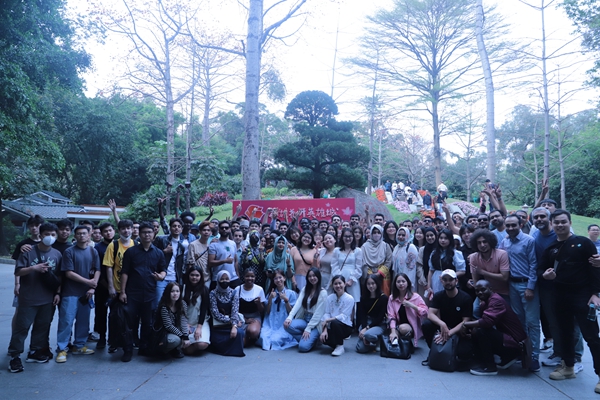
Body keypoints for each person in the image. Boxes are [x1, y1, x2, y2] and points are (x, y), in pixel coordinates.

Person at [538, 210, 600, 393]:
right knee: (564, 333)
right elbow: (540, 269)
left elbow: (595, 268)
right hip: (559, 296)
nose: (560, 225)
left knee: (591, 336)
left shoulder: (584, 243)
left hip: (583, 296)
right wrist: (545, 275)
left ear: (570, 223)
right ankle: (568, 367)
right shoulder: (551, 248)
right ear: (552, 224)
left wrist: (596, 293)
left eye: (563, 222)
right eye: (556, 222)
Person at [8, 223, 62, 373]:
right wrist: (33, 268)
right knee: (22, 327)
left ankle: (35, 351)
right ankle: (14, 356)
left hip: (47, 298)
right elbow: (18, 271)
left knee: (42, 327)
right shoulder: (27, 251)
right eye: (46, 234)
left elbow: (59, 276)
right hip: (28, 298)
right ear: (40, 235)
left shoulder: (57, 254)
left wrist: (58, 293)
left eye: (53, 234)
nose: (49, 237)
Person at [119, 222, 167, 362]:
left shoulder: (158, 253)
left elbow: (163, 269)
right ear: (139, 234)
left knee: (148, 322)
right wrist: (122, 292)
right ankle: (128, 349)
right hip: (132, 293)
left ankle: (144, 347)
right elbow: (125, 272)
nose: (147, 235)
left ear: (154, 234)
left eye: (149, 232)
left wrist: (161, 276)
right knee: (129, 323)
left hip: (150, 293)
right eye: (144, 232)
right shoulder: (131, 252)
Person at [499, 214, 540, 372]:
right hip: (512, 285)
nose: (510, 228)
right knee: (518, 320)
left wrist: (530, 287)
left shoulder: (529, 241)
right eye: (508, 225)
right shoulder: (505, 242)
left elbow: (534, 264)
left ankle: (534, 356)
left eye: (513, 225)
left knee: (532, 322)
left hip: (526, 284)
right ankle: (523, 352)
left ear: (521, 225)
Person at [462, 280, 527, 376]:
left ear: (491, 289)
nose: (480, 293)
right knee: (477, 331)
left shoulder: (496, 301)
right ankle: (505, 358)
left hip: (516, 343)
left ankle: (490, 367)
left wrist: (465, 324)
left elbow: (486, 322)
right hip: (510, 340)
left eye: (483, 289)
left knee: (481, 331)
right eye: (477, 291)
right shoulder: (486, 302)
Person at [56, 225, 101, 363]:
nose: (82, 236)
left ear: (89, 235)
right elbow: (68, 273)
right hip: (70, 292)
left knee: (83, 321)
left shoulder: (93, 251)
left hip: (86, 294)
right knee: (66, 321)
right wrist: (89, 282)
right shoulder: (69, 252)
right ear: (74, 236)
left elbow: (97, 270)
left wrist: (92, 286)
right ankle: (62, 348)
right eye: (79, 234)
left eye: (84, 233)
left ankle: (79, 346)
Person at [421, 269, 473, 366]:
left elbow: (466, 321)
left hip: (459, 331)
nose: (448, 282)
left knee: (463, 353)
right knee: (426, 325)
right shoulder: (438, 296)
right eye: (445, 280)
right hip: (442, 328)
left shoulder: (465, 298)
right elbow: (430, 314)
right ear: (442, 281)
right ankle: (434, 351)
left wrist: (449, 333)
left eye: (450, 279)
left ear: (456, 281)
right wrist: (442, 324)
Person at [284, 268, 327, 353]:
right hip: (305, 318)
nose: (312, 278)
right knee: (287, 325)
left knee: (303, 348)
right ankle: (308, 340)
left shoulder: (323, 293)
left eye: (314, 276)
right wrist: (290, 317)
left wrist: (308, 328)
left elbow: (318, 314)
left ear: (318, 277)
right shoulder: (305, 289)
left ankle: (310, 340)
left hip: (315, 323)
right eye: (310, 276)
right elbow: (298, 303)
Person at [209, 270, 245, 357]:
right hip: (218, 324)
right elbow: (215, 313)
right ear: (218, 280)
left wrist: (234, 326)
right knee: (215, 336)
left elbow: (235, 310)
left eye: (227, 279)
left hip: (231, 323)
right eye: (222, 279)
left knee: (239, 333)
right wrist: (231, 322)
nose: (224, 281)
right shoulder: (213, 293)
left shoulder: (234, 292)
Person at [387, 273, 428, 348]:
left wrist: (412, 306)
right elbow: (391, 316)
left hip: (409, 327)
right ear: (395, 284)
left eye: (403, 281)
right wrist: (393, 331)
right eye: (398, 282)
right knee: (393, 334)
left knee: (403, 328)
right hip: (395, 325)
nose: (401, 284)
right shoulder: (392, 298)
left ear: (408, 283)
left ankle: (399, 338)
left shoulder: (415, 296)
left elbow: (425, 312)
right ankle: (396, 338)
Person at [260, 270, 298, 350]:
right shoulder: (271, 293)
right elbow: (267, 312)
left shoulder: (291, 293)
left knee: (275, 340)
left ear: (284, 278)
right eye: (275, 278)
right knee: (263, 338)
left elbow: (292, 313)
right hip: (270, 323)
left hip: (283, 324)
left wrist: (286, 300)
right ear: (273, 281)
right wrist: (270, 299)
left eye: (280, 277)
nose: (278, 280)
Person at [320, 275, 355, 356]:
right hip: (331, 325)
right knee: (324, 339)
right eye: (335, 284)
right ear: (332, 285)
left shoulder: (349, 298)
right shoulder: (330, 298)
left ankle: (340, 345)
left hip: (345, 326)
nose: (338, 286)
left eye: (340, 283)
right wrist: (324, 330)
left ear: (344, 284)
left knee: (335, 322)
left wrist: (328, 320)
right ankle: (336, 344)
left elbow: (344, 316)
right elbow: (326, 313)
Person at [356, 274, 389, 353]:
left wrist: (366, 329)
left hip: (379, 324)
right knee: (360, 349)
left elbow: (380, 317)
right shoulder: (363, 298)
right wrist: (364, 327)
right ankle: (368, 339)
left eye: (373, 283)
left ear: (377, 284)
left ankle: (378, 339)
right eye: (368, 284)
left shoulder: (383, 298)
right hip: (368, 322)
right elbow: (362, 315)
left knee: (367, 334)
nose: (371, 286)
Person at [427, 229, 465, 295]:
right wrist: (429, 285)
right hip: (436, 280)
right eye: (441, 238)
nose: (443, 240)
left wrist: (448, 276)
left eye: (446, 238)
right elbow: (431, 270)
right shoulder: (434, 253)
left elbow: (462, 271)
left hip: (450, 281)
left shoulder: (455, 253)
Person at [156, 282, 189, 358]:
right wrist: (182, 336)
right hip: (164, 333)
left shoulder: (183, 303)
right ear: (168, 293)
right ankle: (162, 351)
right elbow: (168, 326)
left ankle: (175, 350)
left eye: (177, 291)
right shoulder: (164, 306)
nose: (175, 294)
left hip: (177, 329)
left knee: (188, 336)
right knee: (176, 340)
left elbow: (183, 321)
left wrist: (186, 336)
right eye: (172, 291)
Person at [182, 266, 210, 355]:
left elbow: (203, 310)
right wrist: (185, 324)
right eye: (192, 275)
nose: (194, 277)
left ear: (201, 276)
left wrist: (199, 327)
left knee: (202, 344)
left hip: (200, 322)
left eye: (197, 275)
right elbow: (179, 309)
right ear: (188, 275)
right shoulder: (182, 288)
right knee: (185, 346)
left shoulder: (204, 290)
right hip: (184, 322)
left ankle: (188, 346)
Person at [331, 228, 363, 302]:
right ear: (342, 237)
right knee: (339, 300)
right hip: (339, 278)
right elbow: (334, 266)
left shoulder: (358, 250)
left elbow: (359, 268)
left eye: (350, 236)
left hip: (353, 279)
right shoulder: (336, 250)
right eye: (345, 236)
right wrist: (340, 280)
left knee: (353, 301)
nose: (348, 238)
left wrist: (352, 280)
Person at [236, 269, 266, 346]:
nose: (250, 278)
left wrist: (259, 303)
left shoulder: (259, 289)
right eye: (247, 276)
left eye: (252, 276)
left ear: (255, 277)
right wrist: (245, 319)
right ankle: (245, 337)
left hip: (254, 317)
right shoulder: (238, 289)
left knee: (253, 331)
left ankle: (251, 336)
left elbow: (262, 310)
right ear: (243, 277)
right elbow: (234, 308)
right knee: (241, 343)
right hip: (241, 317)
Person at [208, 221, 241, 289]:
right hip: (218, 278)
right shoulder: (214, 244)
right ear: (219, 230)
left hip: (233, 278)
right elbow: (210, 262)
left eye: (226, 228)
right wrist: (225, 261)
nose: (224, 229)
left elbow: (235, 261)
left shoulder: (233, 243)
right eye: (222, 228)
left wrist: (237, 275)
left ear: (230, 229)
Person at [361, 224, 393, 296]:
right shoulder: (364, 246)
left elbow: (388, 261)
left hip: (383, 275)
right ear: (371, 234)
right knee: (370, 296)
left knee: (383, 297)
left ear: (381, 234)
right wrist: (371, 274)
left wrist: (379, 273)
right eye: (374, 232)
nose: (376, 234)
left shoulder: (385, 245)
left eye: (378, 232)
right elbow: (363, 261)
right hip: (368, 275)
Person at [392, 227, 420, 292]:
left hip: (407, 279)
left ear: (407, 235)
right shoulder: (396, 247)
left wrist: (408, 283)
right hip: (397, 278)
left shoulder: (411, 247)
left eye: (403, 235)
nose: (400, 237)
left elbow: (412, 268)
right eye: (399, 235)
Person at [186, 220, 212, 289]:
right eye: (204, 230)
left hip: (207, 278)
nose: (206, 232)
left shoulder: (210, 246)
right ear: (200, 232)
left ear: (211, 232)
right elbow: (190, 263)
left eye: (208, 230)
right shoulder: (193, 245)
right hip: (195, 278)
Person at [417, 227, 437, 297]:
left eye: (431, 235)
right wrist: (424, 282)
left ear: (435, 235)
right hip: (424, 281)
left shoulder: (439, 249)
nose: (429, 237)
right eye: (427, 236)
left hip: (438, 280)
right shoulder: (422, 250)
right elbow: (419, 266)